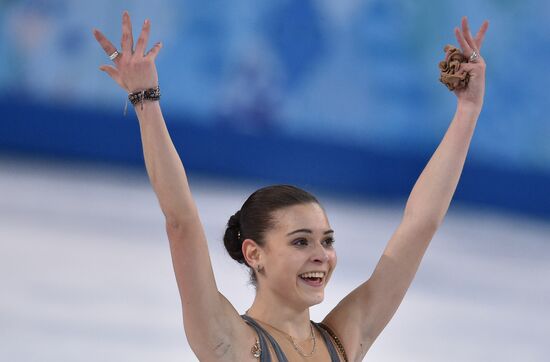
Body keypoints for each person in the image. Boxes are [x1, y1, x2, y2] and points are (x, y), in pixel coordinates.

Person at [93, 11, 489, 362]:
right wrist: (146, 102)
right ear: (255, 254)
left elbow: (420, 224)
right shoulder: (232, 344)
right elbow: (181, 221)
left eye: (327, 241)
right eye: (301, 242)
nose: (321, 255)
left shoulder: (343, 341)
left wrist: (467, 112)